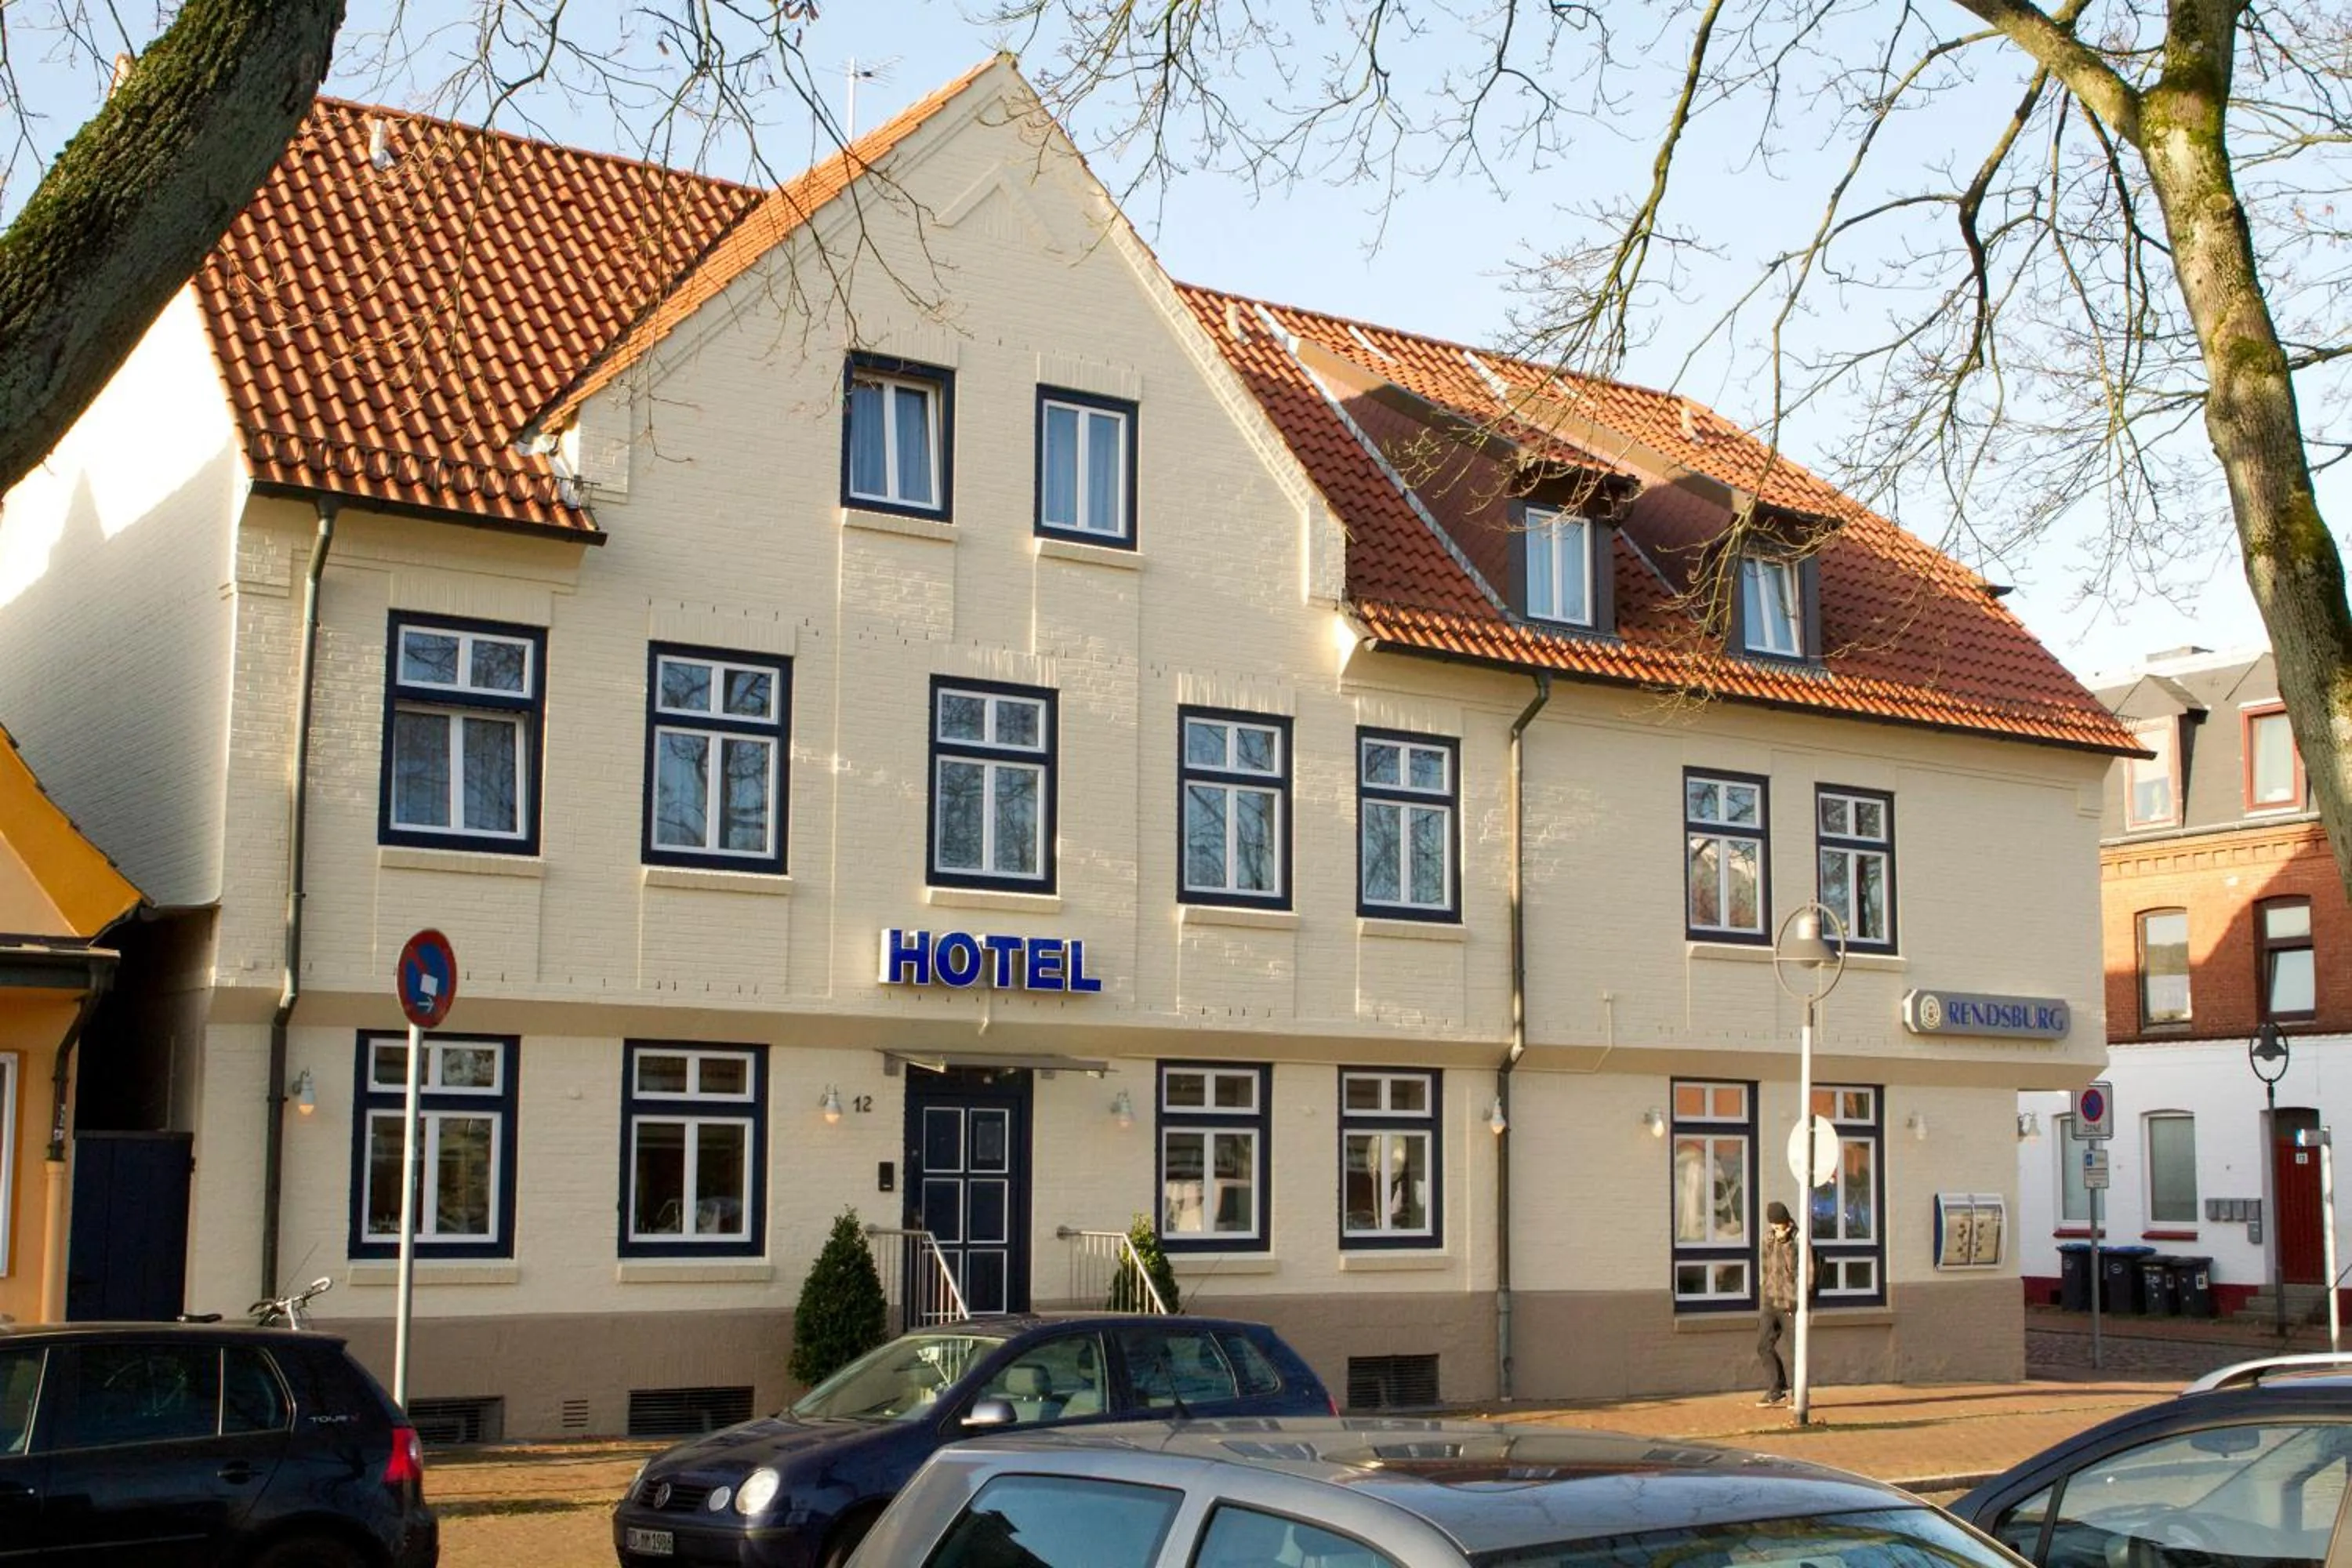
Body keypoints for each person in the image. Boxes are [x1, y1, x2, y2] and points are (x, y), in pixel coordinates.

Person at [1757, 1200, 1799, 1406]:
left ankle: (1799, 1394)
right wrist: (1764, 1291)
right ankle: (1777, 1388)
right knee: (1763, 1345)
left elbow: (1804, 1272)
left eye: (1779, 1224)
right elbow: (1766, 1267)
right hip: (1770, 1300)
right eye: (1773, 1224)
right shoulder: (1768, 1238)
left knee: (1795, 1350)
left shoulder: (1798, 1240)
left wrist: (1797, 1300)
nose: (1776, 1228)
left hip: (1790, 1302)